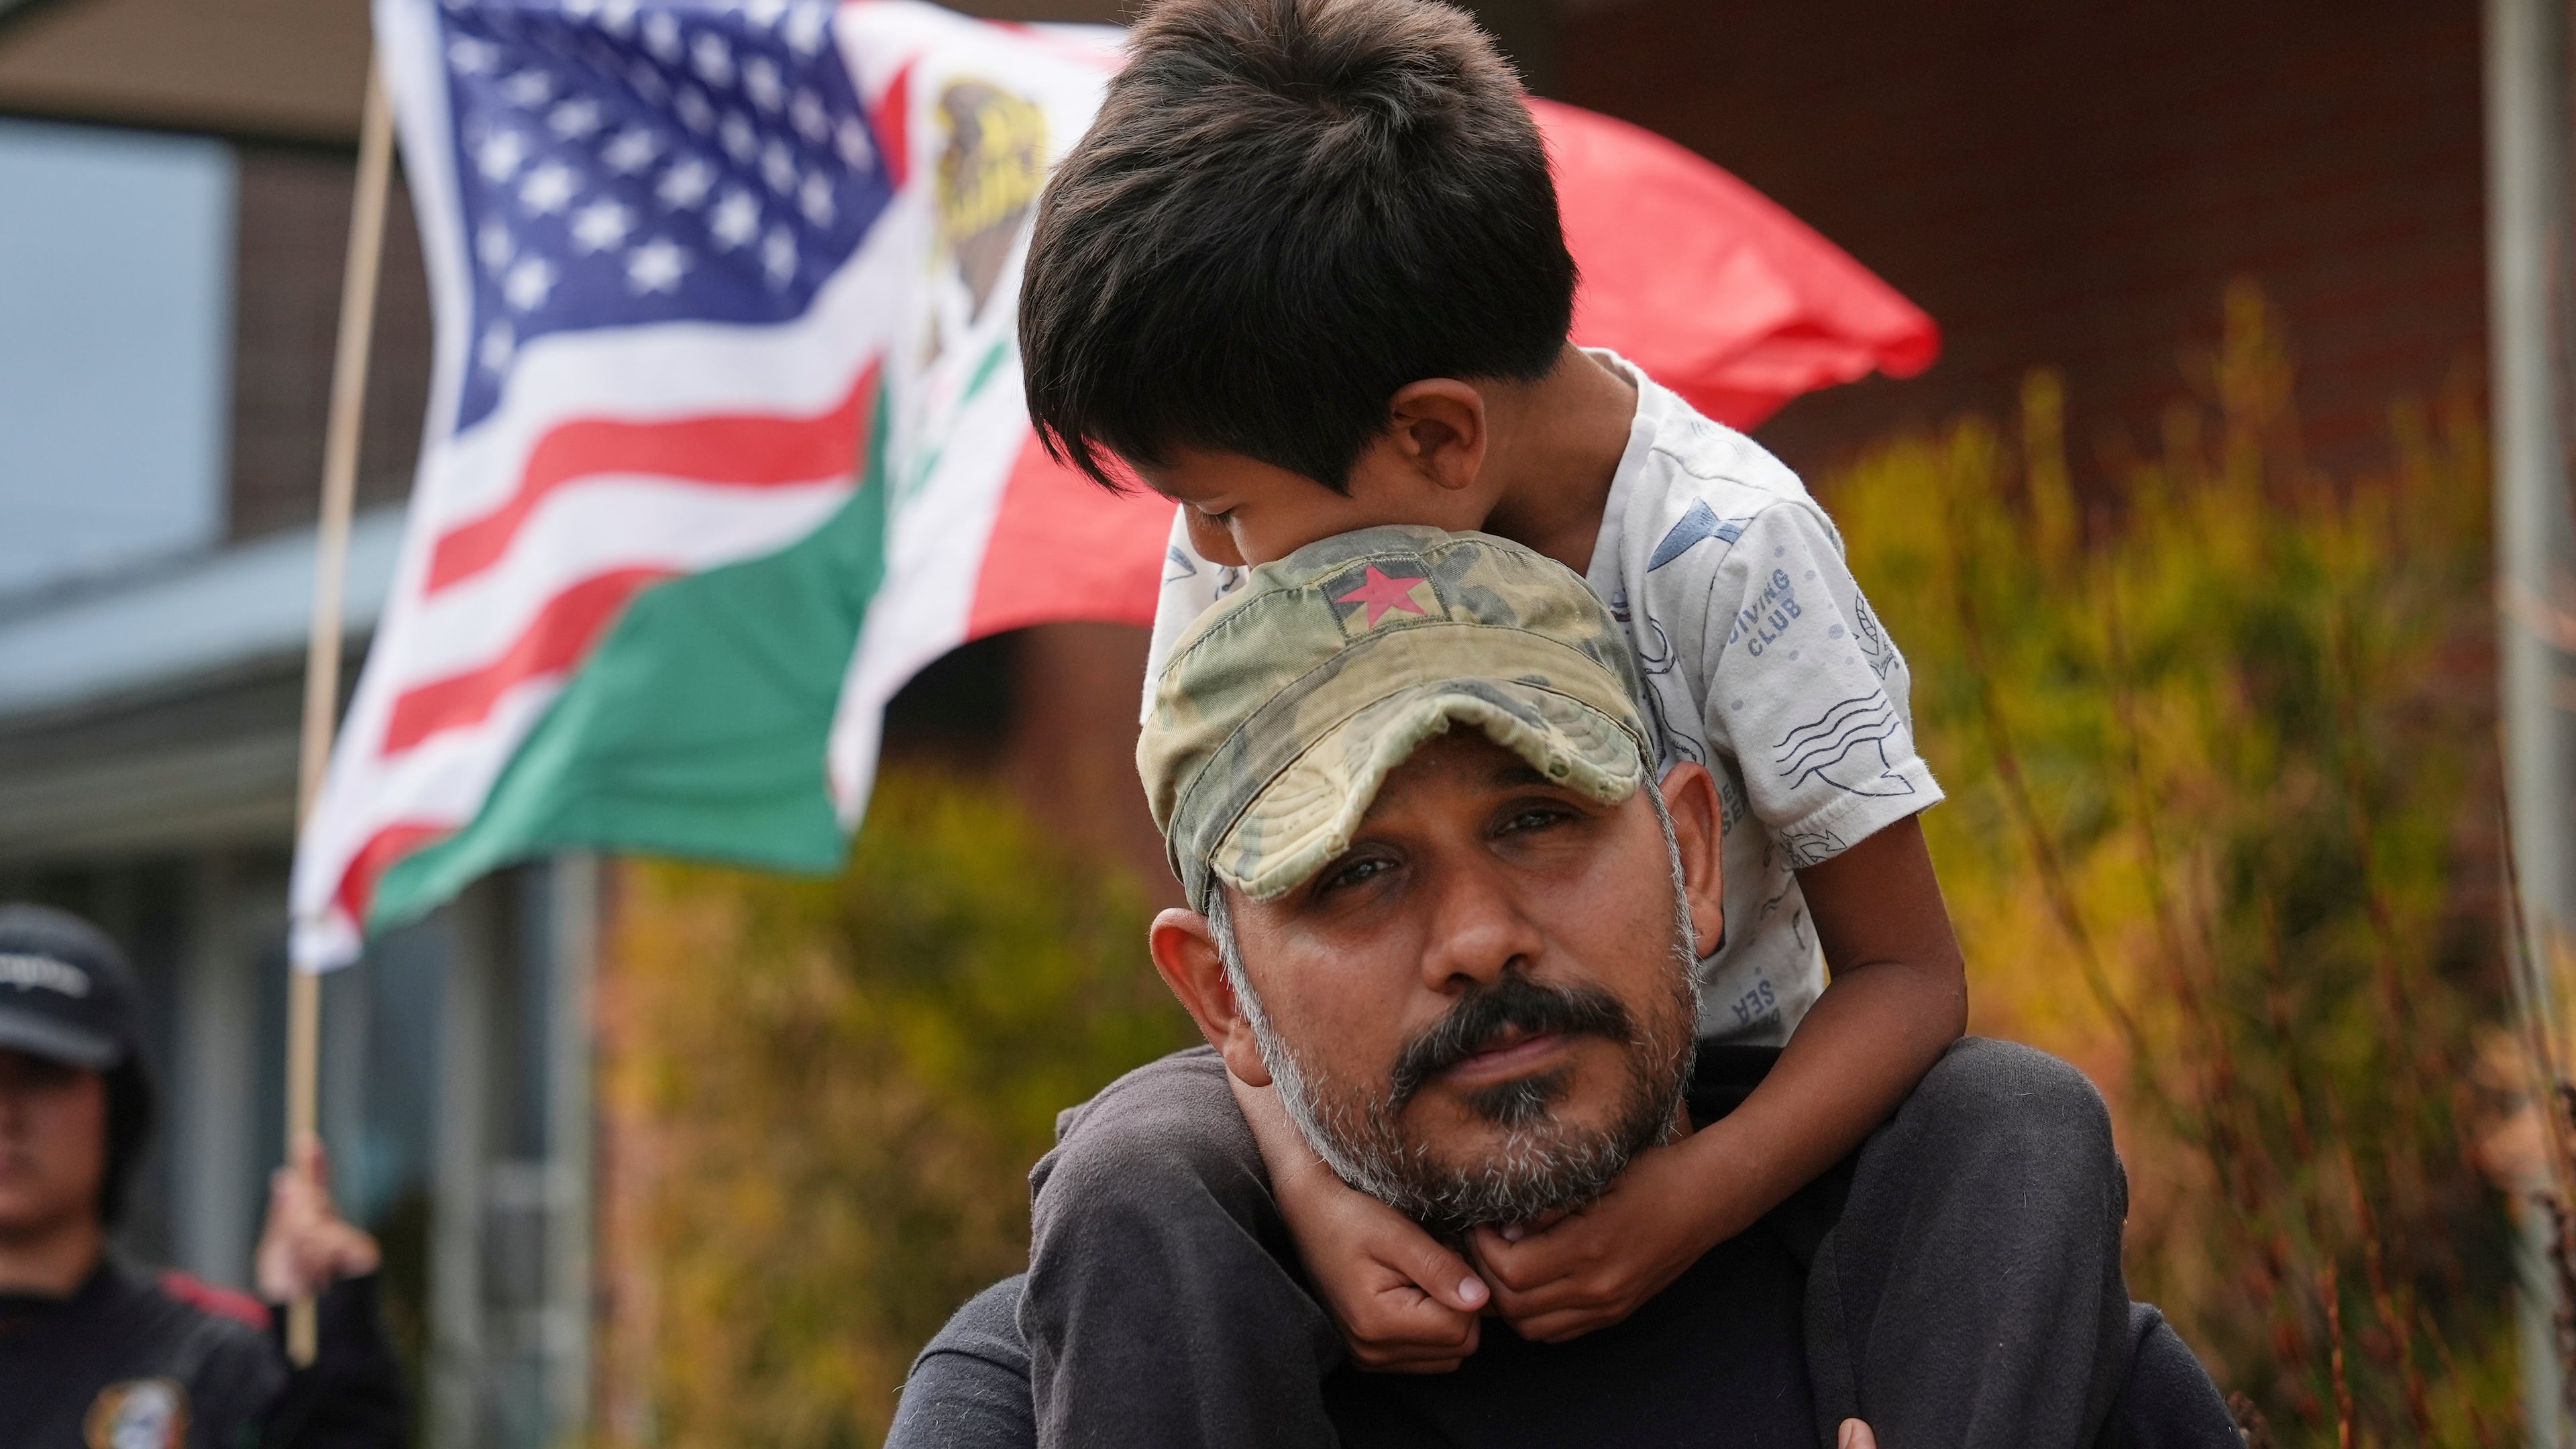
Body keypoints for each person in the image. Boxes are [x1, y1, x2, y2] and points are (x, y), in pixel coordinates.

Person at [891, 528, 2240, 1448]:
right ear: (1222, 996)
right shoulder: (1054, 1398)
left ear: (1694, 854)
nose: (1479, 938)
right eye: (1356, 870)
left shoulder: (2008, 1346)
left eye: (1539, 819)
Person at [0, 903, 407, 1449]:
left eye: (43, 1075)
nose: (7, 1116)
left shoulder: (221, 1366)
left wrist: (339, 1381)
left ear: (118, 1107)